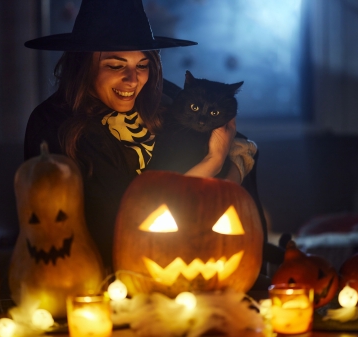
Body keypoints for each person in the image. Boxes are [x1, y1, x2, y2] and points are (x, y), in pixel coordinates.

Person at [23, 0, 273, 268]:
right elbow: (126, 222)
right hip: (115, 271)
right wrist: (212, 165)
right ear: (83, 67)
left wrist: (230, 170)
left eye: (142, 65)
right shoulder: (53, 124)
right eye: (116, 66)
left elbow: (236, 142)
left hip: (204, 255)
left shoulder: (160, 95)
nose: (133, 80)